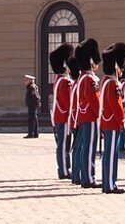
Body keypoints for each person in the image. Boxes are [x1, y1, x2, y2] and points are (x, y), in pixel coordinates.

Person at [71, 39, 102, 188]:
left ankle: (85, 175)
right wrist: (100, 116)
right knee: (89, 148)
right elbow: (94, 101)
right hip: (91, 117)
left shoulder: (83, 77)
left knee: (86, 147)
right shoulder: (89, 79)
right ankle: (88, 177)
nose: (97, 64)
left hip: (86, 116)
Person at [99, 41, 125, 194]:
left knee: (109, 154)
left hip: (107, 121)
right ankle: (110, 184)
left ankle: (108, 182)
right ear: (116, 66)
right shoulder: (113, 83)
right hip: (112, 122)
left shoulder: (106, 81)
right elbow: (116, 105)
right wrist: (122, 120)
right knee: (111, 154)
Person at [49, 43, 75, 178]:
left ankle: (64, 168)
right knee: (64, 145)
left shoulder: (59, 80)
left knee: (63, 144)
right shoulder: (65, 81)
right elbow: (68, 103)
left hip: (60, 116)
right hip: (65, 117)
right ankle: (64, 170)